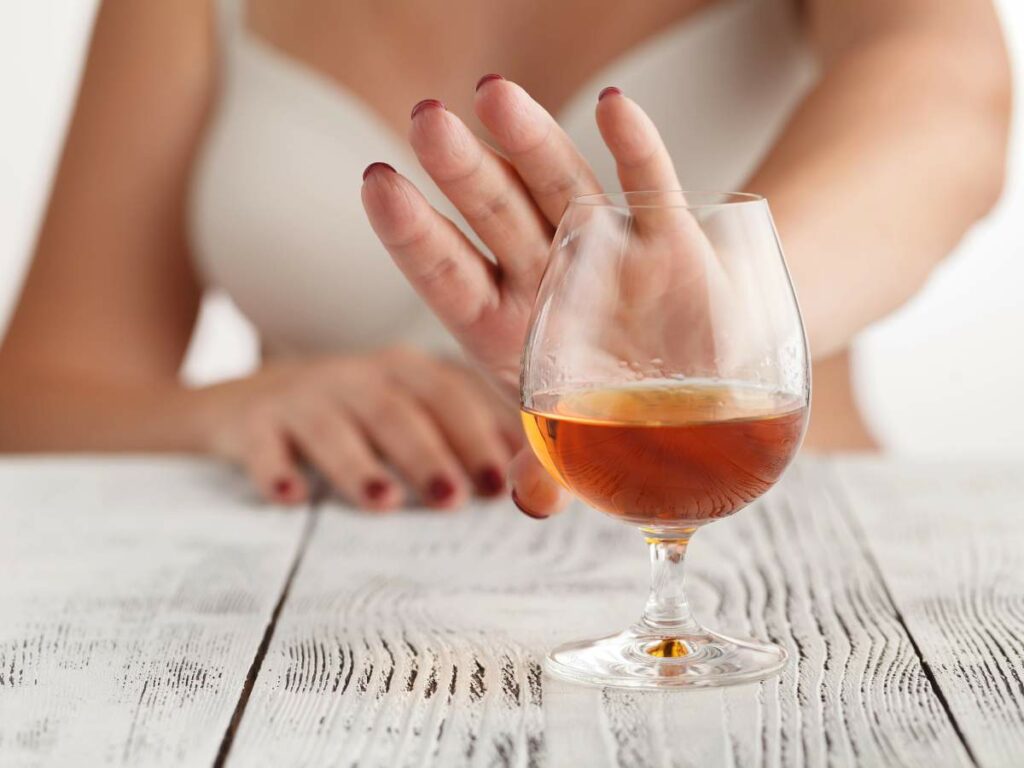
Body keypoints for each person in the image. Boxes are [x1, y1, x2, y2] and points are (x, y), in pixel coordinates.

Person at [0, 0, 1010, 516]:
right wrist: (227, 411)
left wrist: (727, 333)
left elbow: (949, 95)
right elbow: (40, 399)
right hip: (329, 654)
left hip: (805, 611)